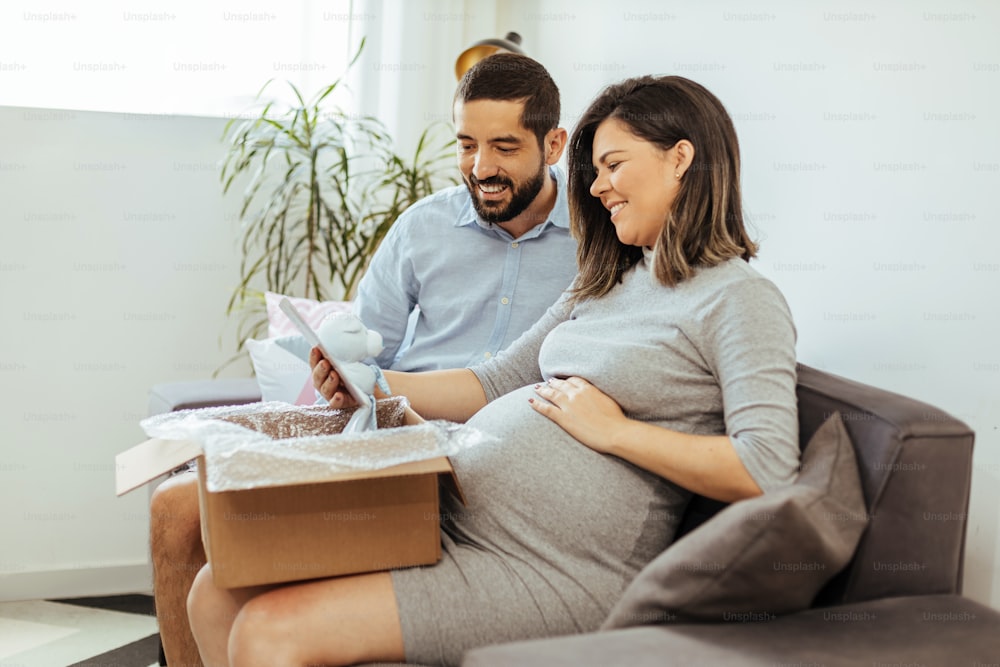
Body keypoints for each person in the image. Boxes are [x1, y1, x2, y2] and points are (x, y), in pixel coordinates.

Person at [186, 74, 801, 667]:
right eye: (595, 172)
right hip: (451, 519)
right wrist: (369, 384)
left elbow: (768, 467)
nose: (595, 188)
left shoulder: (739, 298)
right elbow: (493, 383)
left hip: (551, 567)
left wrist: (617, 433)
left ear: (681, 159)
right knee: (215, 593)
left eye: (613, 166)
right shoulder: (608, 282)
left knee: (270, 632)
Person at [149, 52, 577, 667]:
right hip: (392, 437)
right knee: (174, 505)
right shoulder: (421, 228)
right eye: (466, 145)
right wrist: (341, 377)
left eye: (505, 148)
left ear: (554, 143)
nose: (481, 168)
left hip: (496, 458)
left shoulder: (600, 243)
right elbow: (364, 350)